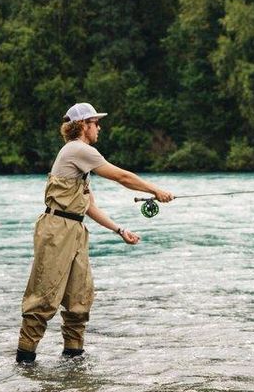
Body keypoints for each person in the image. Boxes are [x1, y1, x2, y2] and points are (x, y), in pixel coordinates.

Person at [15, 102, 173, 364]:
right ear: (83, 125)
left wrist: (120, 230)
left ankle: (73, 363)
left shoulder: (81, 160)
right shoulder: (77, 149)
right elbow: (121, 176)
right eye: (95, 123)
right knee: (43, 298)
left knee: (79, 299)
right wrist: (154, 190)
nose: (99, 127)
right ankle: (24, 361)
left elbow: (89, 206)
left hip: (75, 228)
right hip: (56, 230)